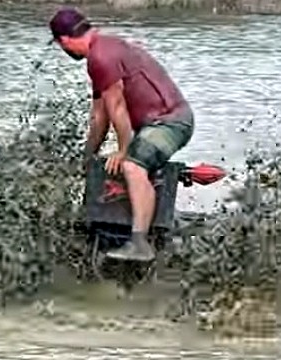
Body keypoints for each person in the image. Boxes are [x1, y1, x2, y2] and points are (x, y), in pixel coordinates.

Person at [48, 7, 195, 262]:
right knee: (121, 163)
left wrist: (125, 149)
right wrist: (86, 158)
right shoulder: (102, 54)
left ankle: (139, 243)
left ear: (65, 40)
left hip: (171, 122)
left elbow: (117, 108)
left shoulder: (101, 57)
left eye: (60, 45)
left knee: (132, 166)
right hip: (155, 126)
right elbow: (100, 117)